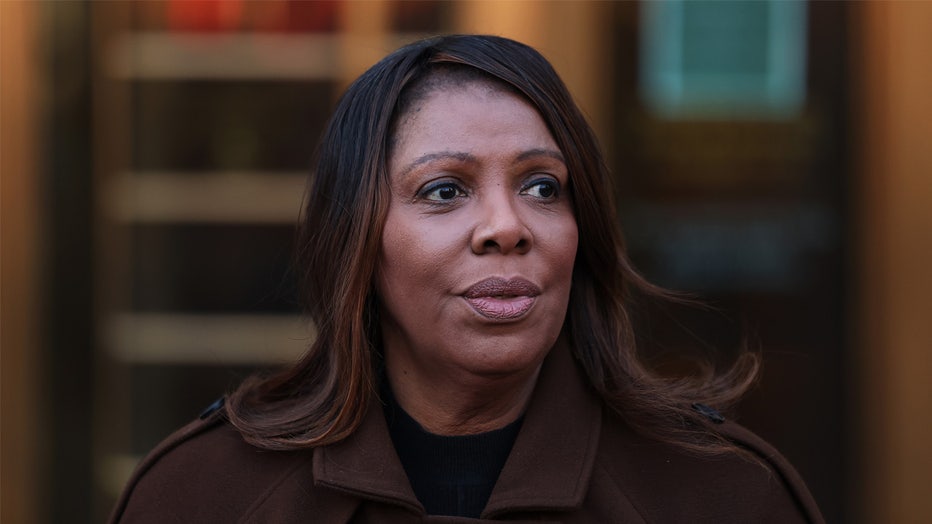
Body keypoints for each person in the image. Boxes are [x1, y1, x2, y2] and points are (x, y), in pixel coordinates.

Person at [110, 34, 824, 523]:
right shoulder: (206, 495)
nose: (506, 226)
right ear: (357, 235)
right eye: (445, 190)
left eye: (543, 187)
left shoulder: (722, 494)